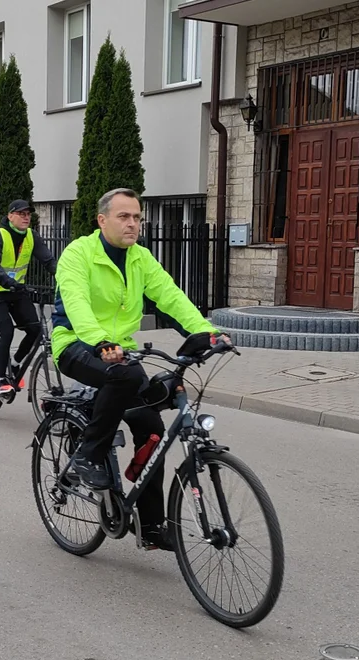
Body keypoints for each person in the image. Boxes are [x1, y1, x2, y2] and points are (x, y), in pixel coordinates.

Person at [52, 188, 229, 550]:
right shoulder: (78, 255)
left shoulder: (140, 258)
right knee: (128, 376)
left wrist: (206, 333)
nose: (133, 223)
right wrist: (100, 342)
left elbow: (170, 295)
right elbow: (77, 304)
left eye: (137, 217)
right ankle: (89, 454)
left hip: (121, 352)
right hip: (76, 343)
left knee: (152, 427)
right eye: (124, 217)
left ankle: (150, 527)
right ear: (102, 221)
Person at [0, 199, 57, 401]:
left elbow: (49, 261)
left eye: (28, 214)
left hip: (16, 291)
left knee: (35, 329)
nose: (26, 217)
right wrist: (5, 280)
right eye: (21, 213)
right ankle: (0, 379)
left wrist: (65, 280)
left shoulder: (32, 237)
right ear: (10, 216)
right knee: (6, 331)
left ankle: (14, 363)